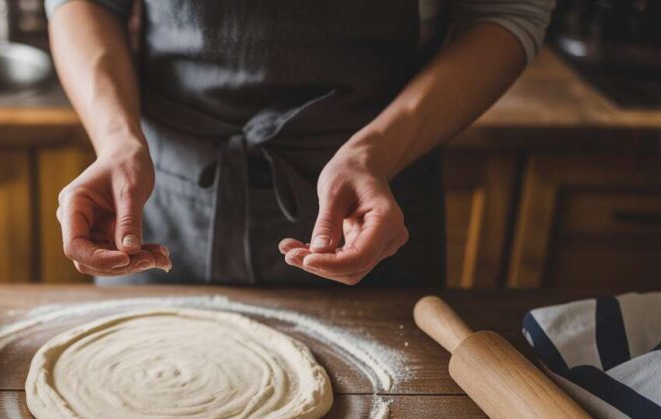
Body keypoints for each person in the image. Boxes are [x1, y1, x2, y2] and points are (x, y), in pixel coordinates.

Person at [47, 0, 553, 286]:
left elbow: (508, 12)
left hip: (372, 207)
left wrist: (376, 152)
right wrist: (116, 140)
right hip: (159, 198)